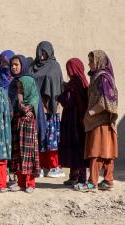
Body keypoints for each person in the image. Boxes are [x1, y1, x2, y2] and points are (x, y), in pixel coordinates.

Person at [75, 50, 118, 192]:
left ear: (99, 61)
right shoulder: (99, 77)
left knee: (96, 151)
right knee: (107, 151)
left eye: (91, 61)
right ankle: (108, 180)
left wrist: (90, 112)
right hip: (101, 121)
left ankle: (92, 182)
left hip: (100, 121)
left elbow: (104, 101)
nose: (89, 64)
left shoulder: (103, 78)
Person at [30, 41, 65, 178]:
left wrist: (50, 103)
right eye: (40, 51)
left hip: (50, 109)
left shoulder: (54, 66)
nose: (42, 55)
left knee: (50, 138)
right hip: (36, 109)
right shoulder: (33, 67)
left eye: (45, 52)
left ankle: (53, 166)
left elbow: (57, 86)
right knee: (39, 138)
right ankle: (41, 166)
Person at [58, 58, 89, 186]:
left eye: (69, 68)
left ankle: (79, 177)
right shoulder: (82, 82)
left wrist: (60, 96)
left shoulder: (74, 83)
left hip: (73, 121)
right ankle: (75, 176)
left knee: (76, 147)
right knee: (77, 148)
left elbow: (69, 102)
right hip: (79, 120)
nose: (68, 71)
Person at [9, 76, 41, 193]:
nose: (19, 91)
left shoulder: (33, 98)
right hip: (18, 131)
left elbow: (25, 109)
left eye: (21, 89)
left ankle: (30, 184)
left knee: (29, 156)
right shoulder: (18, 99)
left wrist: (20, 100)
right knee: (19, 155)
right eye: (18, 88)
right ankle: (21, 183)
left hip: (28, 134)